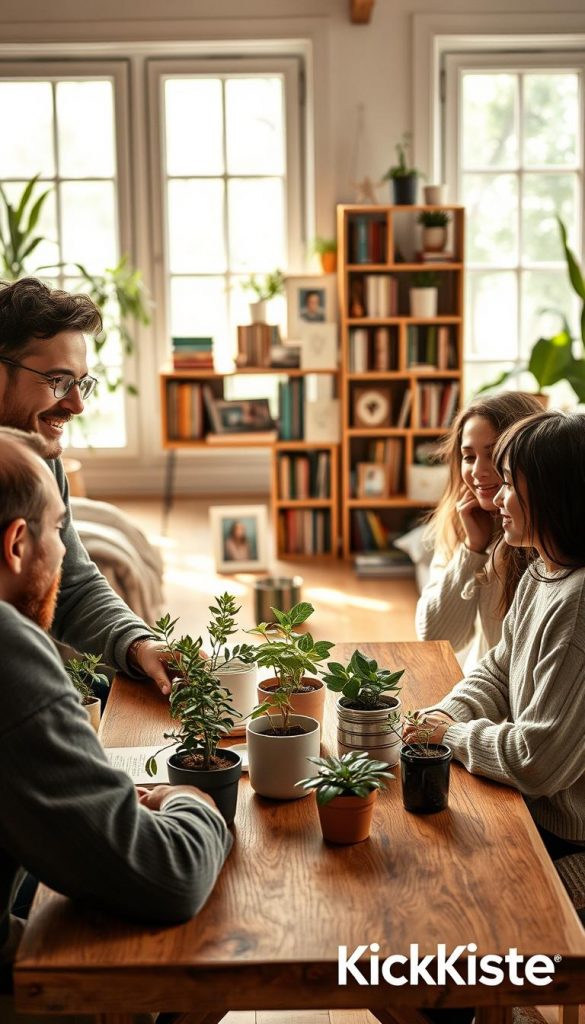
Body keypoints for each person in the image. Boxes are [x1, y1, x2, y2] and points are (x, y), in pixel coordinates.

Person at [0, 428, 232, 1019]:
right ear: (17, 544)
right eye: (58, 532)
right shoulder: (10, 653)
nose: (68, 556)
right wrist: (195, 805)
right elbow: (169, 874)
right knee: (177, 962)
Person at [406, 411, 585, 868]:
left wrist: (453, 733)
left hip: (564, 836)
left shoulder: (577, 604)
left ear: (550, 492)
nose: (495, 497)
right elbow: (499, 668)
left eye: (508, 483)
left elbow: (536, 762)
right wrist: (446, 712)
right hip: (530, 806)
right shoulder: (543, 571)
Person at [0, 278, 172, 695]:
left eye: (83, 383)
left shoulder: (40, 458)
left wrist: (139, 643)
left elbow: (71, 583)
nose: (77, 405)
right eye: (59, 381)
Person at [415, 392, 544, 671]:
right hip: (483, 688)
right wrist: (472, 549)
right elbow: (435, 636)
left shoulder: (547, 538)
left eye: (494, 454)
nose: (478, 471)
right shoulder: (461, 519)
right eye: (469, 456)